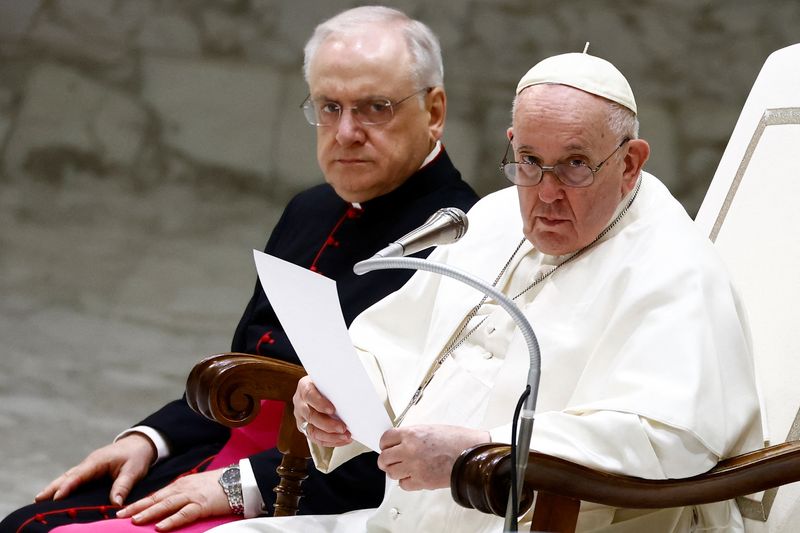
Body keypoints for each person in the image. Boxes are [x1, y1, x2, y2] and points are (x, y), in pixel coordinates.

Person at [207, 51, 764, 533]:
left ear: (630, 162)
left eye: (574, 166)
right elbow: (391, 345)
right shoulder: (492, 218)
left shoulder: (676, 268)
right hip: (402, 518)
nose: (545, 194)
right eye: (528, 162)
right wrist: (334, 402)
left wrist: (483, 453)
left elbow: (667, 441)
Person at [1, 6, 479, 533]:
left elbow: (406, 445)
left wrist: (236, 486)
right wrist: (151, 438)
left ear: (434, 111)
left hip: (309, 490)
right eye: (329, 106)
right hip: (220, 449)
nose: (345, 132)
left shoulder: (465, 239)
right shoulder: (312, 209)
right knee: (25, 523)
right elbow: (247, 371)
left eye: (374, 108)